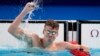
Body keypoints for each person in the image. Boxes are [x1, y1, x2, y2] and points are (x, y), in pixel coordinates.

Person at [8, 2, 89, 52]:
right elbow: (11, 30)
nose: (51, 34)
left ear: (57, 34)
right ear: (43, 31)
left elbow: (84, 47)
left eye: (54, 32)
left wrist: (83, 52)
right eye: (48, 31)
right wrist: (24, 11)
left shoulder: (61, 46)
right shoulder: (34, 39)